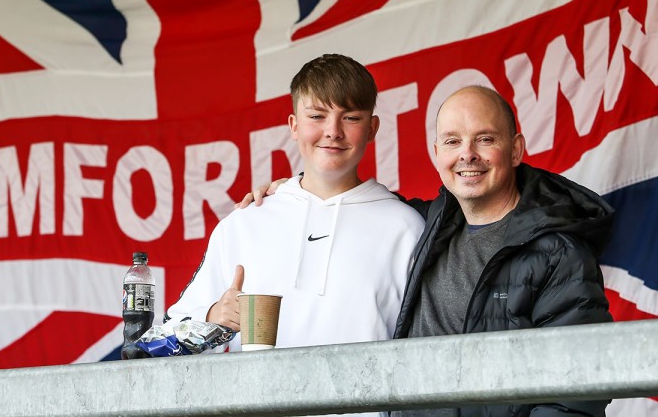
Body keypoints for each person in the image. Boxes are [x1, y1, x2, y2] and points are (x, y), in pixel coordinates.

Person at [243, 85, 614, 417]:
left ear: (515, 150)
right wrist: (295, 192)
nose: (467, 155)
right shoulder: (426, 224)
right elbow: (359, 206)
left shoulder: (558, 252)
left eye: (484, 139)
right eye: (453, 141)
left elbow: (574, 394)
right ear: (437, 153)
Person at [165, 54, 424, 368]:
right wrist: (212, 318)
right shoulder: (245, 222)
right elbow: (161, 343)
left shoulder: (408, 229)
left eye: (351, 118)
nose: (333, 131)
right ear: (294, 126)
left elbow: (425, 352)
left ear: (372, 128)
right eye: (316, 116)